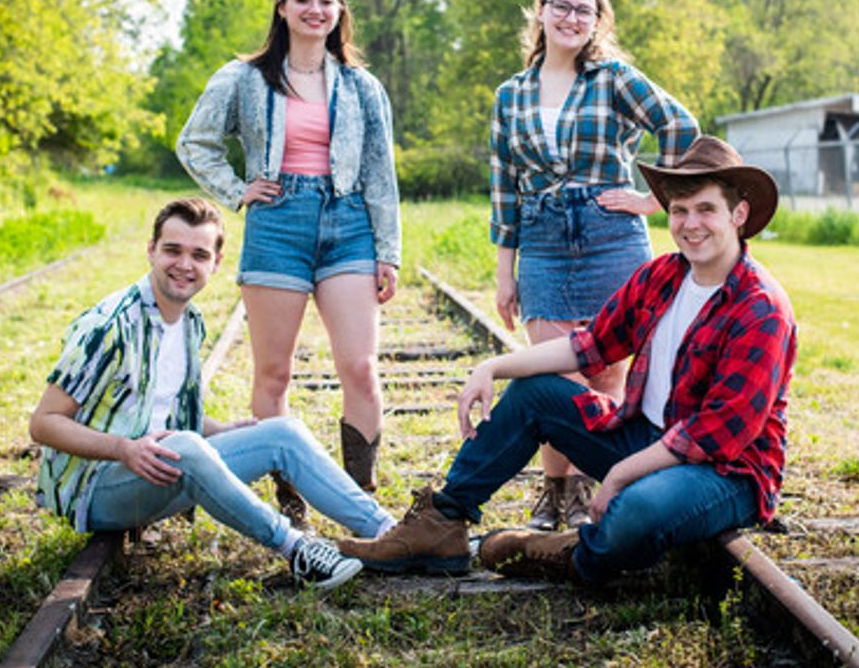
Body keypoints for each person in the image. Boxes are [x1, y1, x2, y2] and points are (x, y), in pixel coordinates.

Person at [340, 137, 795, 584]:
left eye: (706, 209)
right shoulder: (663, 277)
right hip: (647, 437)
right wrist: (492, 367)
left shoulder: (760, 307)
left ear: (738, 214)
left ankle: (571, 553)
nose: (690, 223)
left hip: (725, 472)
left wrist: (620, 474)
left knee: (634, 512)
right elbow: (590, 344)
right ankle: (438, 526)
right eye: (680, 210)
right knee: (535, 392)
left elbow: (715, 434)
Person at [31, 198, 394, 590]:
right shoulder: (111, 326)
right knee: (187, 446)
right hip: (97, 487)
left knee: (282, 432)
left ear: (215, 263)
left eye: (199, 254)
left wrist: (221, 430)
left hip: (159, 468)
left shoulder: (189, 322)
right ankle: (297, 549)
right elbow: (44, 423)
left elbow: (156, 408)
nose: (184, 265)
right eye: (173, 250)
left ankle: (392, 533)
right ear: (151, 250)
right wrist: (124, 449)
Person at [176, 0, 400, 522]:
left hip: (348, 223)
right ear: (282, 8)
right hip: (277, 224)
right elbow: (195, 141)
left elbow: (381, 174)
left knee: (360, 367)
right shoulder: (244, 77)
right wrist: (236, 189)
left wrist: (387, 251)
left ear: (339, 12)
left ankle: (359, 502)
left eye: (326, 0)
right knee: (273, 374)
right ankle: (290, 504)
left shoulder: (361, 86)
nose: (315, 9)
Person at [490, 0, 698, 531]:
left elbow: (679, 127)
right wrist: (504, 272)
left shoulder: (614, 80)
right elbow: (504, 186)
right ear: (541, 11)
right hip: (543, 240)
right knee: (554, 377)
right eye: (561, 6)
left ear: (597, 22)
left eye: (584, 10)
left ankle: (585, 492)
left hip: (611, 235)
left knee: (607, 375)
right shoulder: (511, 94)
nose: (571, 18)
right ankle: (552, 493)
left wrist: (656, 200)